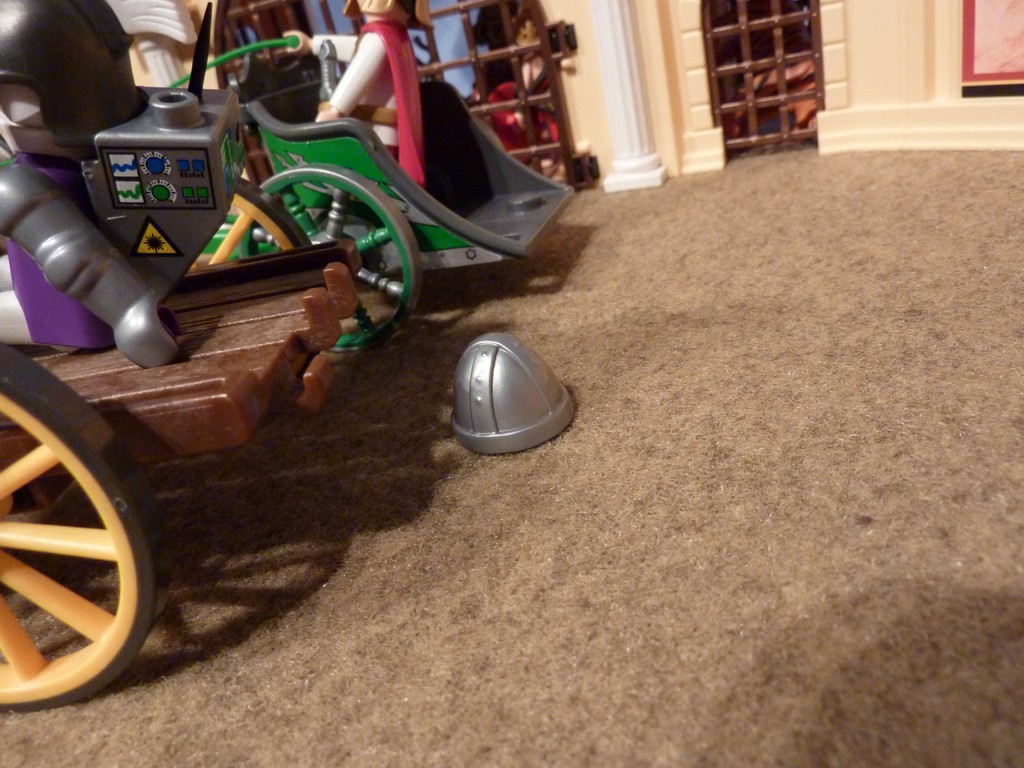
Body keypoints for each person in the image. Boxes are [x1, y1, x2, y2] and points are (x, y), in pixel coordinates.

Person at [286, 0, 432, 186]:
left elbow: (359, 72)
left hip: (374, 129)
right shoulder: (391, 36)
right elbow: (355, 47)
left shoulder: (379, 39)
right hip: (379, 129)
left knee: (371, 176)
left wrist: (336, 110)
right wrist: (311, 44)